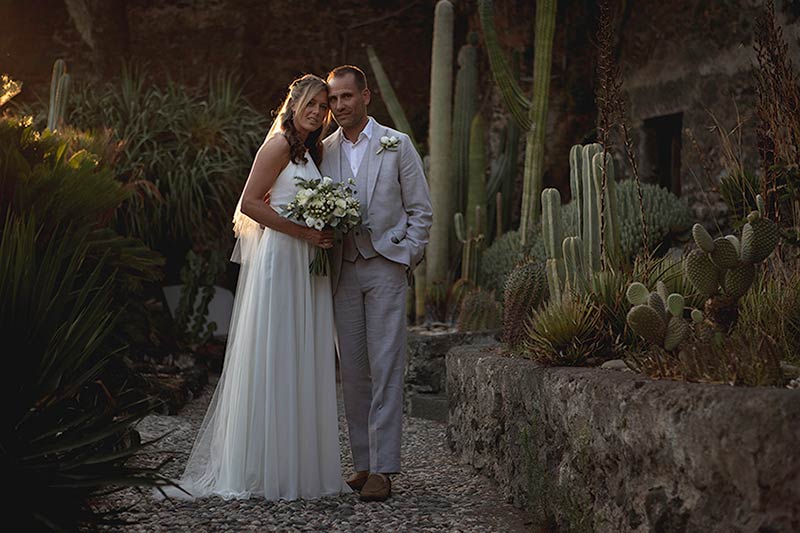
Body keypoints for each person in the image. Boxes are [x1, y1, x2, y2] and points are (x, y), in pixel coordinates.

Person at [163, 74, 350, 501]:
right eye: (313, 102)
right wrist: (302, 233)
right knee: (278, 353)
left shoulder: (310, 149)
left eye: (324, 106)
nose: (319, 111)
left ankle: (298, 466)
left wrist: (323, 227)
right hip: (281, 260)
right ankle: (263, 468)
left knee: (303, 356)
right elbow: (249, 203)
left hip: (307, 263)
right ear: (295, 100)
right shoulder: (281, 144)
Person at [321, 65, 432, 502]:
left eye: (346, 97)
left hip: (386, 266)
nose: (339, 106)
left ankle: (385, 469)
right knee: (352, 372)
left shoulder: (396, 144)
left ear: (366, 96)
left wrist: (406, 254)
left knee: (387, 366)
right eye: (332, 99)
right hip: (342, 269)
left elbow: (421, 209)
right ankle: (363, 463)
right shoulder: (323, 150)